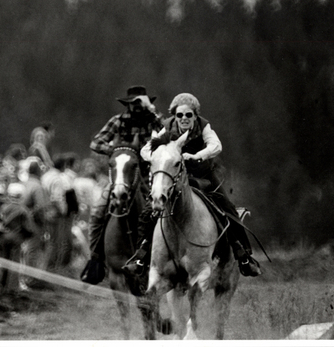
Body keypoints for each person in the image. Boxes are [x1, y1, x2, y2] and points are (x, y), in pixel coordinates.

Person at [136, 93, 261, 277]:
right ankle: (141, 257)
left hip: (203, 176)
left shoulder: (204, 126)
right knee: (149, 212)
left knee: (228, 210)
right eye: (180, 115)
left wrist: (196, 156)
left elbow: (216, 146)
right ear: (174, 116)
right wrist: (158, 157)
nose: (184, 119)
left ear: (195, 115)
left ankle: (243, 256)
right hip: (176, 177)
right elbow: (146, 149)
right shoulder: (167, 127)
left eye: (188, 115)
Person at [80, 85, 163, 284]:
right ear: (127, 105)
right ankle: (96, 259)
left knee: (164, 209)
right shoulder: (117, 121)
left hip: (147, 176)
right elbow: (95, 143)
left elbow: (170, 136)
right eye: (132, 103)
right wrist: (117, 151)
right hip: (120, 177)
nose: (135, 107)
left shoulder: (153, 122)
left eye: (139, 103)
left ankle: (172, 258)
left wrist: (151, 111)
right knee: (98, 212)